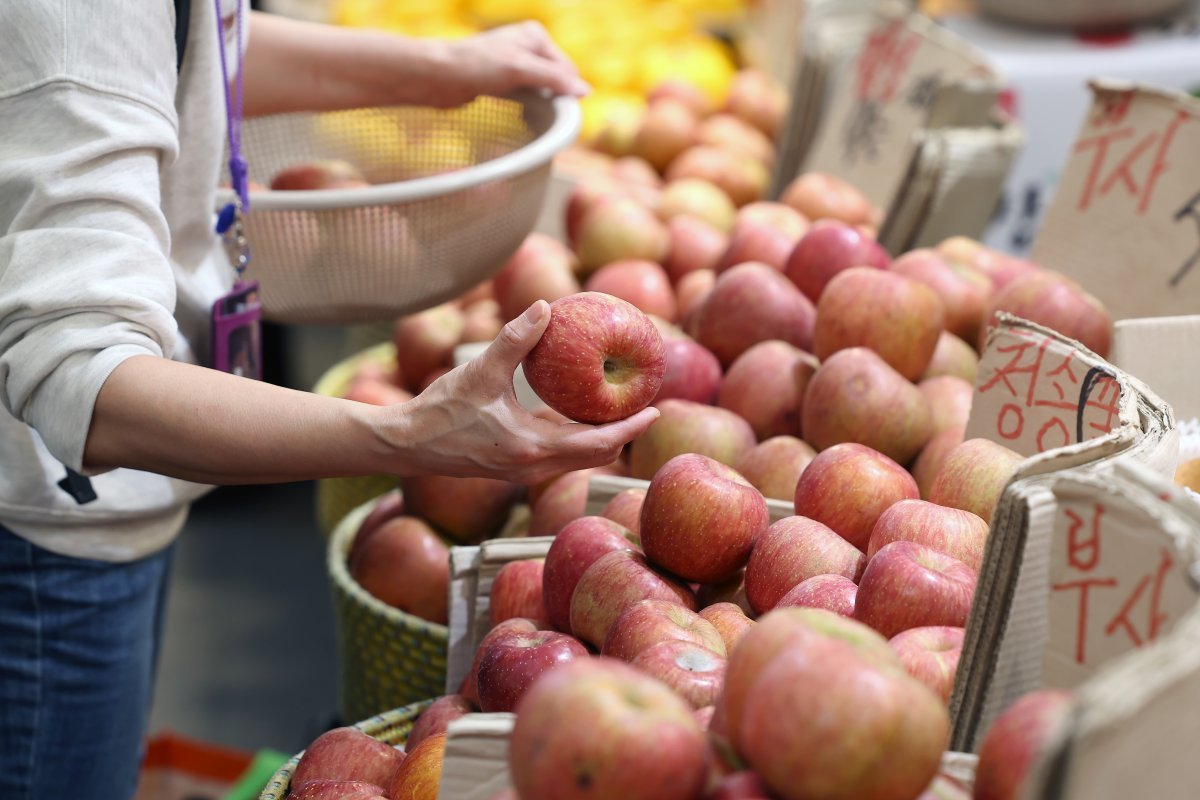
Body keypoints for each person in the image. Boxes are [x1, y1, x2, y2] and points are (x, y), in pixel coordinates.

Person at [0, 3, 657, 798]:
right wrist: (406, 434)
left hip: (99, 503)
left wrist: (441, 71)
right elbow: (82, 381)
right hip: (43, 531)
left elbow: (194, 57)